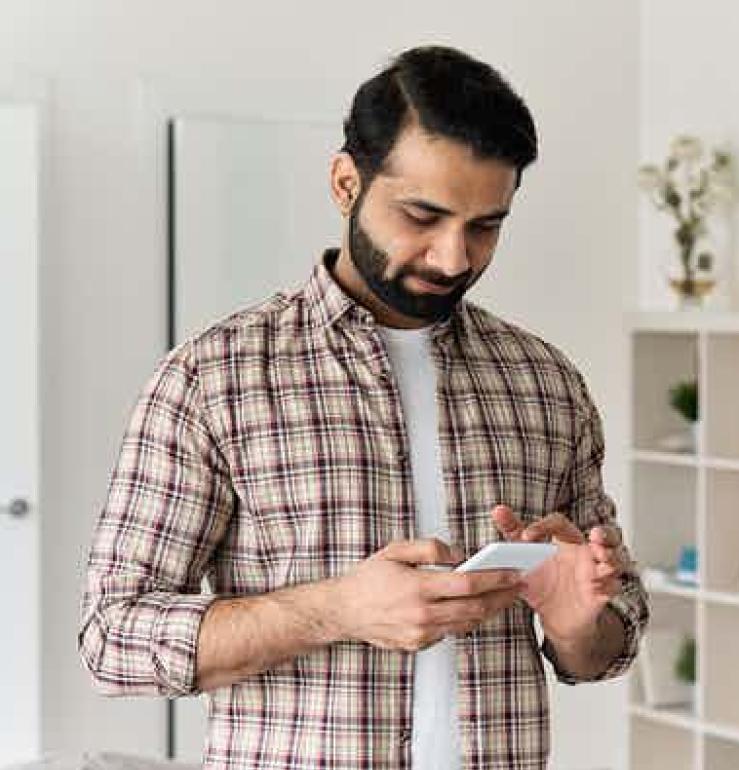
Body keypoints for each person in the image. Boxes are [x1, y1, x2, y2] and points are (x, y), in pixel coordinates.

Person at [79, 45, 649, 770]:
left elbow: (607, 643)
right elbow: (112, 638)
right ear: (346, 183)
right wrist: (337, 609)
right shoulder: (212, 378)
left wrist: (577, 625)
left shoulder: (546, 384)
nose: (453, 257)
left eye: (485, 225)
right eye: (423, 215)